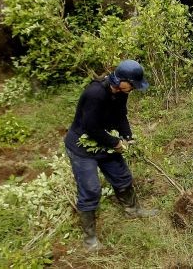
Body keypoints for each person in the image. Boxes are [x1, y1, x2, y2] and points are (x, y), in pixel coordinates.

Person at [63, 59, 157, 250]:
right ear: (121, 80)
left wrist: (128, 137)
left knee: (122, 176)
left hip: (103, 141)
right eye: (132, 85)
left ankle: (132, 209)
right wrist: (115, 143)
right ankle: (90, 240)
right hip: (82, 146)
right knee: (90, 189)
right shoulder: (95, 93)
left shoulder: (122, 92)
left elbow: (121, 115)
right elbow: (91, 128)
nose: (133, 89)